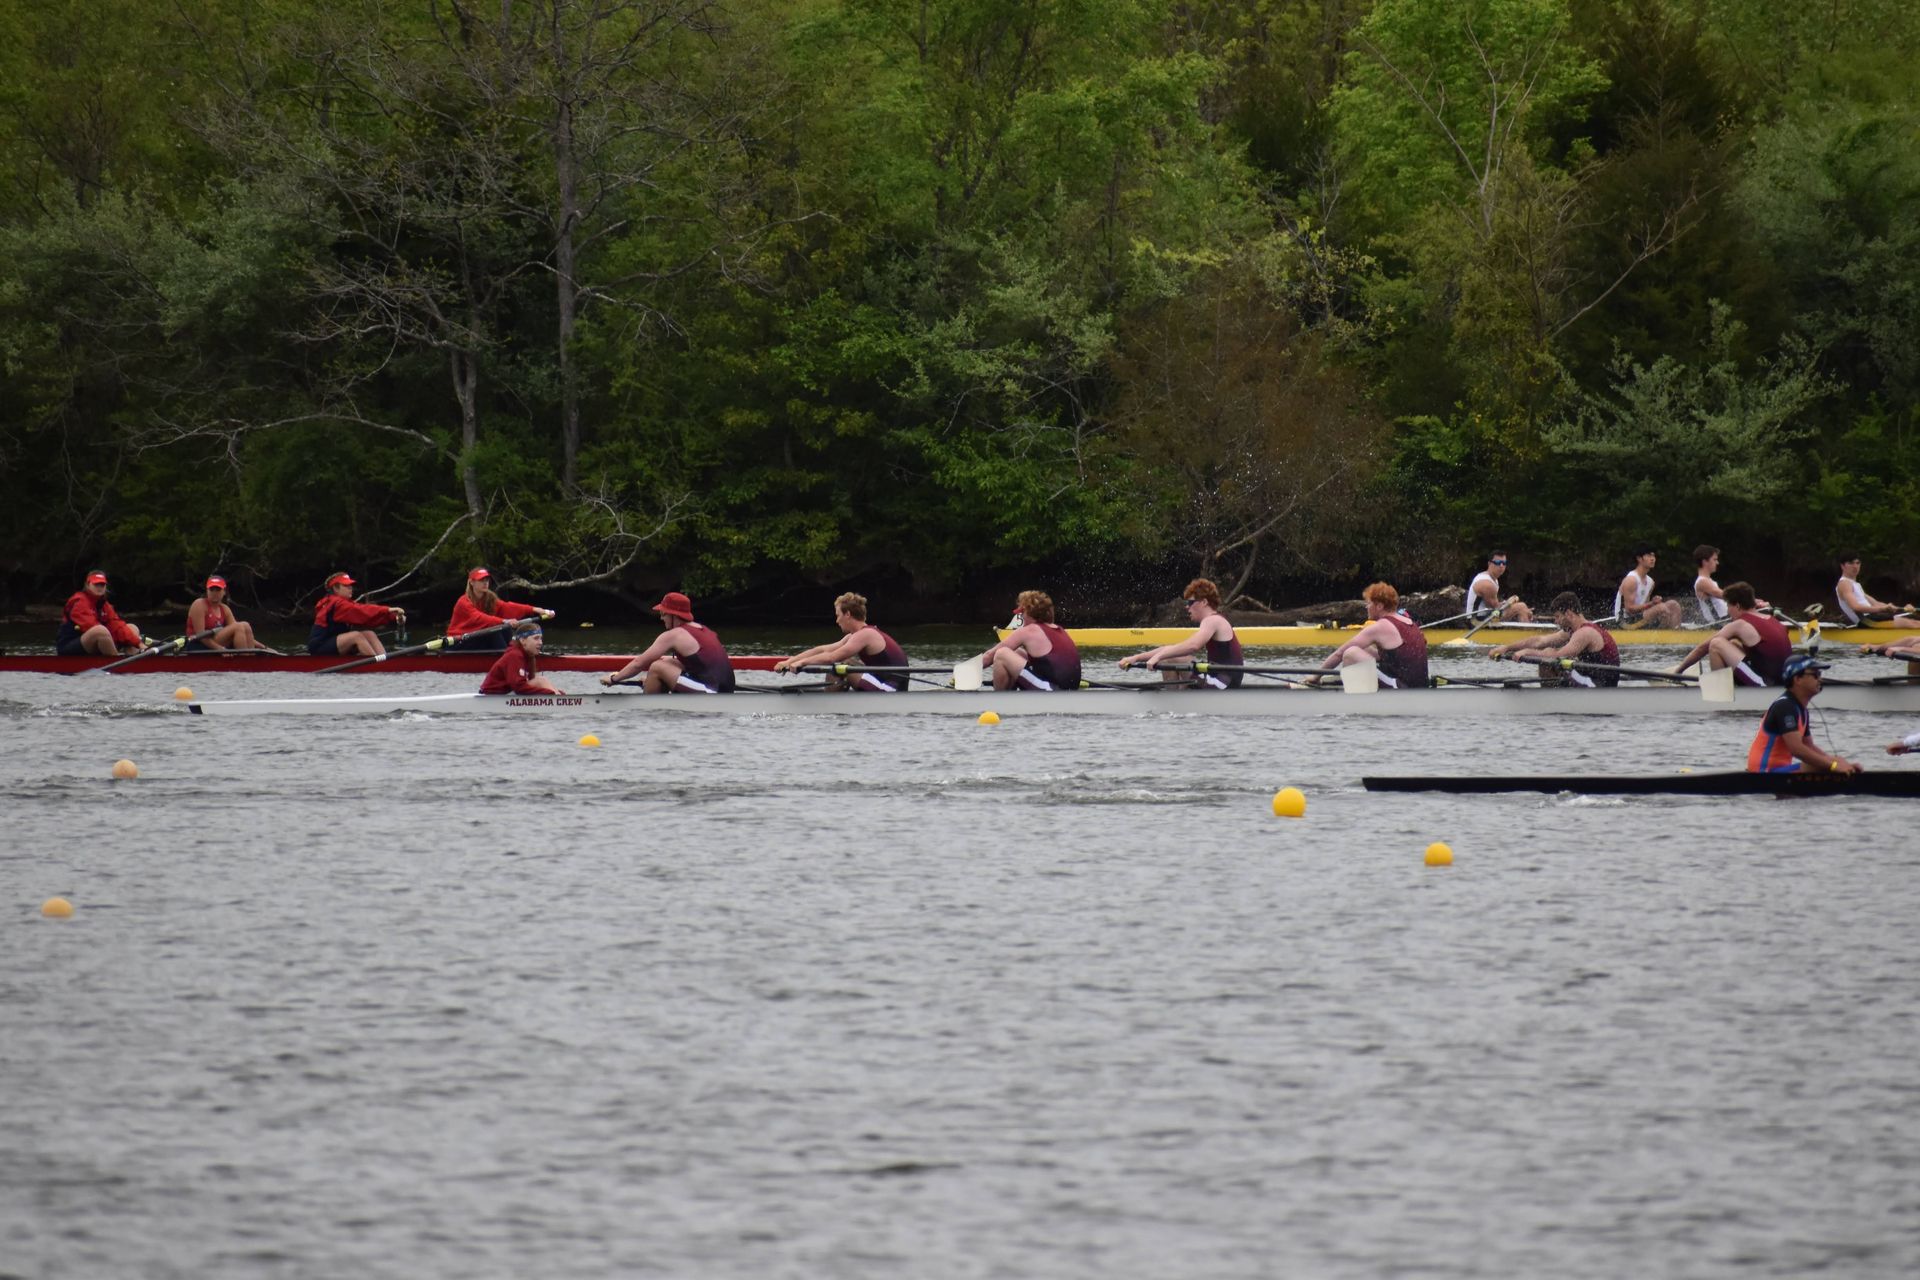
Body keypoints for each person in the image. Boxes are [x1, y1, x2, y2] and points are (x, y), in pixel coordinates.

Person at [598, 591, 735, 693]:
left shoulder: (674, 635)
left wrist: (615, 679)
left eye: (663, 614)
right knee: (667, 661)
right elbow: (697, 666)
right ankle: (653, 685)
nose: (661, 618)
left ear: (674, 615)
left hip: (711, 691)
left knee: (657, 666)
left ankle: (647, 708)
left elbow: (638, 663)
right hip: (724, 688)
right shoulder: (703, 629)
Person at [1118, 577, 1243, 688]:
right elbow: (1173, 648)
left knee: (1169, 659)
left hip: (1224, 682)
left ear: (1204, 602)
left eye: (1190, 602)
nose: (1187, 607)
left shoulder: (1212, 620)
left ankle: (1173, 704)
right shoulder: (1215, 620)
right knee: (1171, 655)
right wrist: (1136, 658)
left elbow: (1193, 646)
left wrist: (1159, 657)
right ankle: (1179, 699)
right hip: (1222, 678)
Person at [772, 592, 911, 690]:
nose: (837, 620)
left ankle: (830, 706)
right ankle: (833, 702)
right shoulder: (855, 635)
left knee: (843, 664)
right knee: (845, 664)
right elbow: (822, 650)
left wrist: (802, 663)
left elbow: (831, 657)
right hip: (880, 681)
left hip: (890, 689)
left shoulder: (866, 634)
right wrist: (789, 661)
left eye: (838, 616)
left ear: (848, 614)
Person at [1748, 655, 1860, 773]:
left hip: (1780, 771)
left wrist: (1840, 763)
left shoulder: (1801, 709)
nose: (1819, 680)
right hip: (1763, 773)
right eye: (1815, 675)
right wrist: (1832, 766)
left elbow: (1808, 746)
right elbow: (1797, 749)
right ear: (1797, 679)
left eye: (1819, 675)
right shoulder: (1785, 707)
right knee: (1820, 765)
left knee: (1837, 760)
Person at [1486, 591, 1620, 686]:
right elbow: (1539, 641)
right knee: (1546, 652)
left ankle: (1550, 700)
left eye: (1557, 616)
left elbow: (1557, 656)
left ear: (1568, 614)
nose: (1556, 621)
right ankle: (1551, 697)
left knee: (1548, 657)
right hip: (1588, 677)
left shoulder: (1585, 633)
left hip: (1600, 685)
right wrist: (1506, 648)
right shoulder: (1572, 631)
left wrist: (1527, 652)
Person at [1673, 582, 1791, 686]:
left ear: (1738, 606)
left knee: (1716, 644)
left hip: (1766, 684)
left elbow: (1702, 648)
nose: (1728, 611)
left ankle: (1719, 692)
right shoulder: (1772, 619)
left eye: (1728, 606)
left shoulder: (1740, 624)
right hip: (1784, 682)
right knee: (1733, 643)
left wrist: (1678, 671)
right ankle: (1732, 685)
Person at [1317, 582, 1428, 689]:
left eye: (1369, 603)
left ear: (1379, 606)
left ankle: (1356, 699)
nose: (1366, 607)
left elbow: (1339, 654)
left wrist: (1315, 677)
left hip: (1401, 688)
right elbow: (1398, 659)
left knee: (1350, 653)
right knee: (1364, 647)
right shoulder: (1409, 621)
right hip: (1419, 685)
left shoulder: (1381, 626)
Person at [977, 590, 1081, 691]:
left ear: (1029, 613)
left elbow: (989, 656)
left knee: (1001, 654)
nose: (1021, 616)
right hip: (1066, 689)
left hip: (1051, 691)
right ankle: (1010, 691)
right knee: (1017, 653)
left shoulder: (1029, 631)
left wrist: (965, 672)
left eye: (1022, 613)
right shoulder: (1059, 629)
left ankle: (998, 702)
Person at [447, 568, 554, 651]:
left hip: (477, 638)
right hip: (459, 642)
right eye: (481, 580)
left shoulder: (489, 598)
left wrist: (535, 609)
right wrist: (504, 621)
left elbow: (506, 606)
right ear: (472, 582)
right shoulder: (463, 602)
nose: (485, 583)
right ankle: (507, 660)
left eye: (487, 580)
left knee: (504, 629)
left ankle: (511, 654)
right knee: (496, 629)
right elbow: (479, 618)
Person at [308, 572, 404, 658]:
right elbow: (362, 610)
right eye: (346, 586)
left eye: (350, 585)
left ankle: (383, 661)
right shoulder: (335, 603)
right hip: (319, 647)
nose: (350, 588)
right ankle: (376, 666)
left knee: (369, 634)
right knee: (356, 636)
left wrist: (393, 617)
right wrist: (388, 610)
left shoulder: (346, 603)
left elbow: (367, 619)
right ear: (335, 588)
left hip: (335, 643)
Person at [57, 571, 145, 656]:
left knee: (132, 628)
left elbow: (117, 625)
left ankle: (134, 662)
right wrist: (116, 638)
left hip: (99, 641)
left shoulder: (105, 605)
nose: (99, 587)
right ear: (88, 585)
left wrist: (138, 643)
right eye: (96, 584)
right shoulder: (79, 601)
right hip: (69, 646)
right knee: (100, 631)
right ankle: (116, 664)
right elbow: (91, 626)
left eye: (102, 585)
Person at [1835, 554, 1919, 627]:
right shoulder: (1844, 584)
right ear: (1842, 566)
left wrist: (1902, 608)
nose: (1855, 566)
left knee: (1915, 622)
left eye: (1857, 563)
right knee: (1914, 624)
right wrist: (1882, 609)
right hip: (1866, 621)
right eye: (1851, 563)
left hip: (1873, 617)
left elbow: (1876, 603)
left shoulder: (1856, 585)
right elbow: (1856, 607)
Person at [1689, 546, 1769, 624]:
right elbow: (1726, 595)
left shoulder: (1708, 581)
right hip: (1719, 623)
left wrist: (1753, 603)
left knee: (1765, 611)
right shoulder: (1702, 582)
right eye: (1715, 559)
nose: (1717, 562)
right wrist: (1752, 601)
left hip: (1726, 619)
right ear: (1704, 561)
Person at [480, 620, 561, 695]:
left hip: (507, 694)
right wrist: (549, 693)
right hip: (492, 695)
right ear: (522, 640)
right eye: (536, 638)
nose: (540, 642)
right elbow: (518, 687)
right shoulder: (514, 655)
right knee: (540, 681)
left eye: (541, 639)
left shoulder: (529, 656)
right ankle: (558, 700)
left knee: (541, 680)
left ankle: (559, 698)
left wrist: (558, 693)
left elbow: (528, 683)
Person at [185, 575, 264, 650]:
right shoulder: (199, 604)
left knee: (245, 625)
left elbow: (242, 632)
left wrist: (262, 647)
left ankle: (250, 657)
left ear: (224, 591)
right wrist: (220, 649)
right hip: (197, 643)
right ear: (207, 591)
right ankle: (243, 659)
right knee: (239, 626)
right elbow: (200, 635)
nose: (214, 593)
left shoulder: (225, 609)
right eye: (212, 590)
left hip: (216, 641)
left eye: (218, 590)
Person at [1614, 546, 1684, 628]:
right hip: (1624, 622)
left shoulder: (1651, 582)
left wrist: (1654, 603)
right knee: (1661, 608)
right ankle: (1663, 634)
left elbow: (1644, 608)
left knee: (1673, 605)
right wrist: (1652, 604)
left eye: (1653, 556)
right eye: (1649, 556)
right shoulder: (1631, 580)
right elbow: (1629, 609)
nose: (1652, 559)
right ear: (1639, 559)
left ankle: (1675, 634)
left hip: (1639, 619)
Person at [1464, 552, 1533, 623]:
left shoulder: (1493, 579)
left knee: (1522, 608)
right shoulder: (1487, 584)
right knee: (1521, 607)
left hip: (1485, 616)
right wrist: (1511, 605)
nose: (1501, 565)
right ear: (1489, 564)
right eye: (1497, 562)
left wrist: (1507, 604)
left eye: (1504, 563)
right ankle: (1527, 631)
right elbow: (1496, 609)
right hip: (1475, 621)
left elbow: (1495, 607)